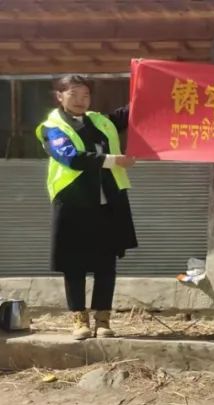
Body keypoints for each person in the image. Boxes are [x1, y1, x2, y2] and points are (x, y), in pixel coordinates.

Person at [35, 74, 137, 340]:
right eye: (73, 94)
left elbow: (131, 112)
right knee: (74, 264)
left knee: (106, 263)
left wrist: (147, 82)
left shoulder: (100, 121)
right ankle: (79, 319)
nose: (81, 101)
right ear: (60, 96)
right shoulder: (52, 127)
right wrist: (113, 160)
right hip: (74, 204)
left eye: (86, 95)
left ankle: (103, 319)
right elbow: (70, 158)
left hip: (107, 202)